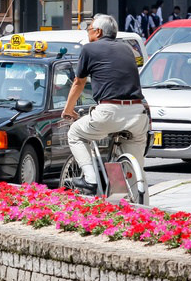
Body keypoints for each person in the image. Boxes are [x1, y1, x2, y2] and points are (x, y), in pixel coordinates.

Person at [61, 14, 150, 198]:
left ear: (98, 32)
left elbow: (79, 82)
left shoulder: (89, 49)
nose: (88, 33)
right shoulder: (127, 49)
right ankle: (140, 205)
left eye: (89, 29)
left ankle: (90, 179)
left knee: (75, 134)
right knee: (136, 171)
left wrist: (68, 110)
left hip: (110, 111)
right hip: (138, 113)